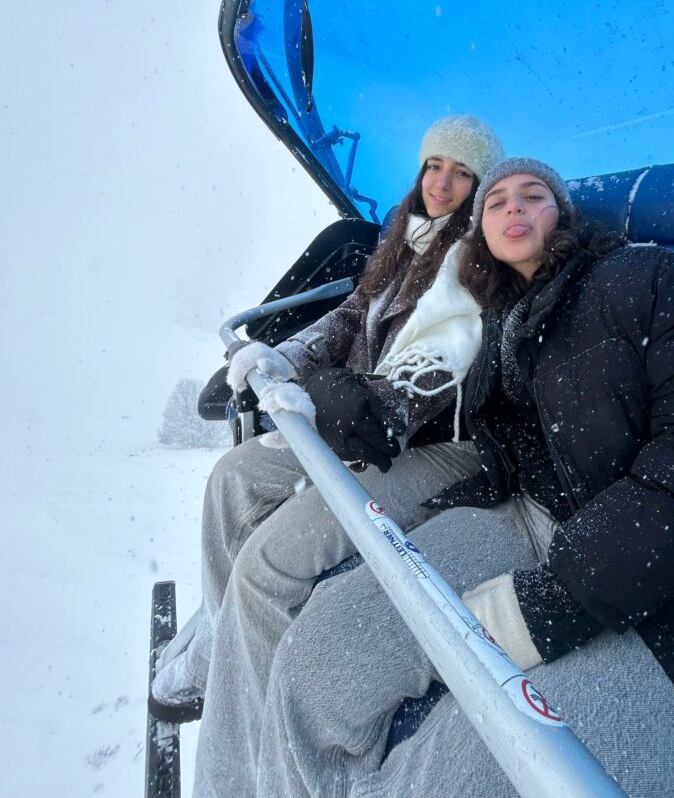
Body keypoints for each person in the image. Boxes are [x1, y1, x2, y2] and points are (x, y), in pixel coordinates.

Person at [256, 157, 674, 798]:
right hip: (523, 513)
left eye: (533, 196)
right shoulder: (497, 316)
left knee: (444, 775)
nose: (513, 208)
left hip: (662, 590)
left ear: (564, 217)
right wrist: (357, 401)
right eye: (496, 202)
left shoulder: (648, 279)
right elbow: (441, 390)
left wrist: (559, 598)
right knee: (317, 658)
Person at [148, 116, 502, 726]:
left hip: (412, 438)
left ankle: (243, 680)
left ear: (478, 188)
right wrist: (283, 358)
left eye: (462, 173)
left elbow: (442, 366)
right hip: (351, 411)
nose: (442, 184)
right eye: (434, 166)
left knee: (271, 556)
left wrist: (361, 401)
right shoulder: (406, 239)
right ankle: (219, 629)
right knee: (232, 478)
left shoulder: (469, 261)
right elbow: (350, 314)